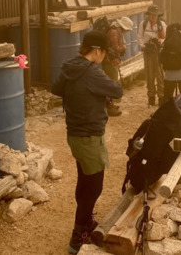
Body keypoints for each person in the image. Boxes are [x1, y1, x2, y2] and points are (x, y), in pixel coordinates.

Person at [51, 31, 123, 254]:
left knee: (84, 181)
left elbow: (55, 88)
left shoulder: (70, 66)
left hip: (74, 134)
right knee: (94, 187)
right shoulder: (91, 72)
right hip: (90, 136)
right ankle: (78, 237)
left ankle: (86, 222)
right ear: (98, 51)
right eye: (104, 53)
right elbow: (117, 90)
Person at [101, 16, 133, 117]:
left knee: (111, 82)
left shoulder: (114, 31)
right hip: (110, 61)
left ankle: (110, 104)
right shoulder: (115, 32)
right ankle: (108, 106)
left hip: (111, 60)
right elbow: (114, 47)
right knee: (111, 83)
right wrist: (123, 47)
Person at [138, 4, 166, 106]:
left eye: (154, 15)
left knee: (159, 75)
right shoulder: (143, 24)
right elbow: (140, 37)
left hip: (158, 53)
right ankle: (151, 97)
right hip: (148, 52)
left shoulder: (161, 24)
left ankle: (161, 96)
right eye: (150, 14)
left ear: (158, 15)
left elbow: (164, 38)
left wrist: (158, 42)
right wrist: (144, 46)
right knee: (149, 75)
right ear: (148, 15)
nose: (152, 17)